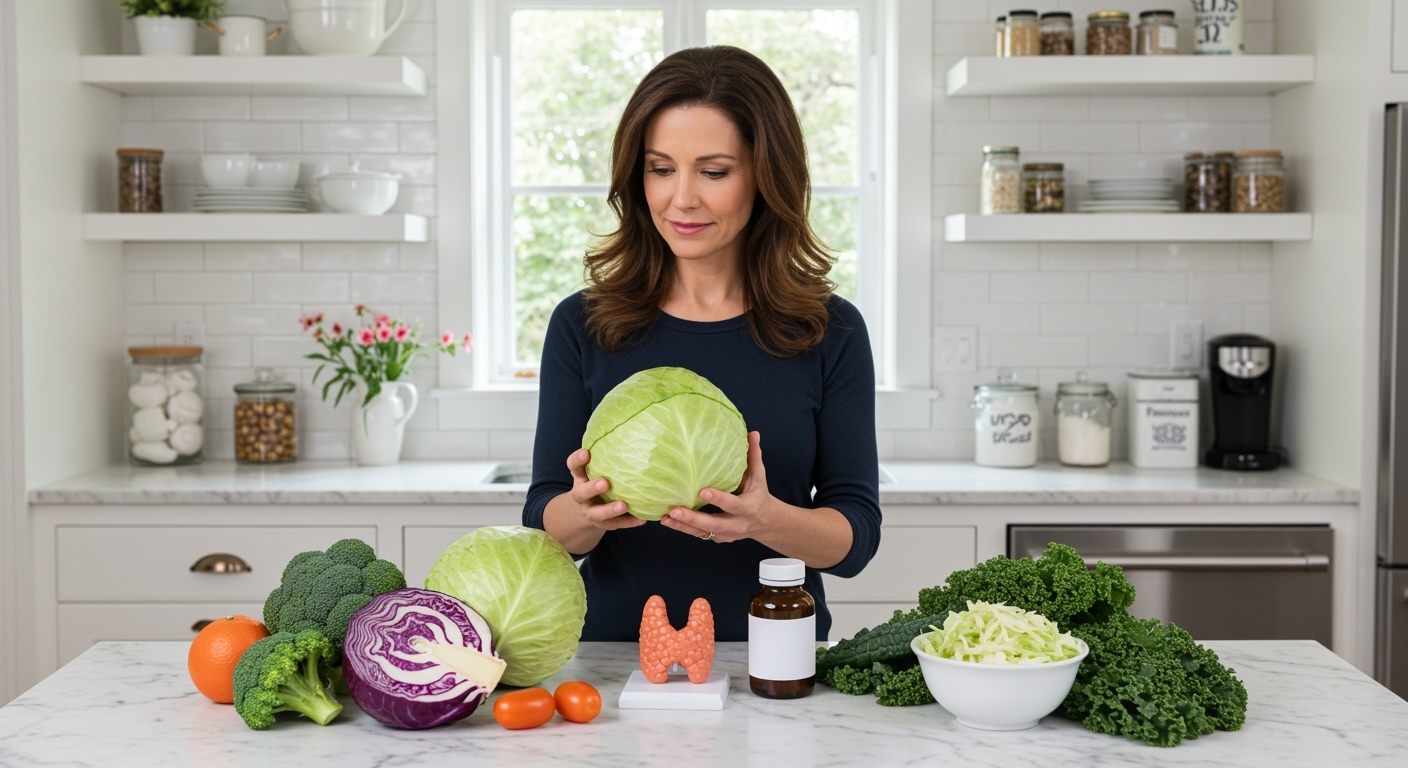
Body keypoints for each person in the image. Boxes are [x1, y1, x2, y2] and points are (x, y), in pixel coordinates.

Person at [523, 45, 880, 642]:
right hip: (613, 668)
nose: (681, 198)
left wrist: (765, 519)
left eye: (713, 171)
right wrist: (586, 515)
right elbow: (542, 522)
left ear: (767, 176)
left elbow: (854, 541)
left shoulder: (830, 329)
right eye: (661, 169)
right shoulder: (582, 324)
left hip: (774, 657)